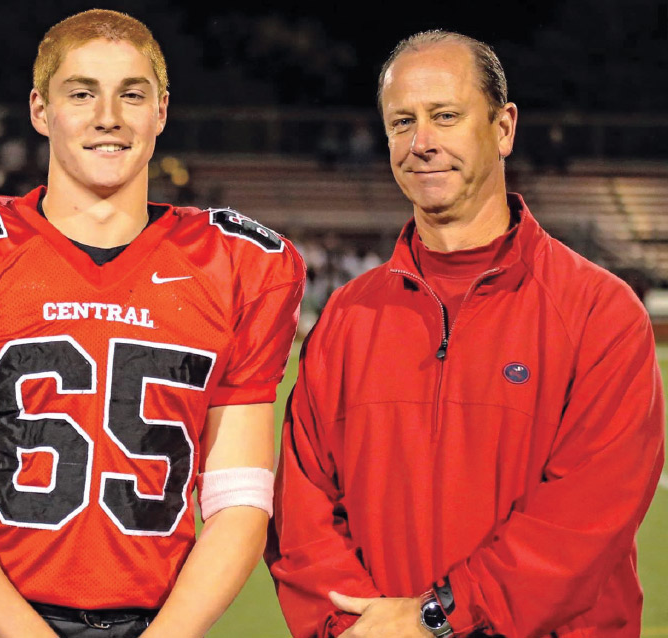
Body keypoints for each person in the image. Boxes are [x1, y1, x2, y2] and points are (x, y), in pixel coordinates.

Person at [0, 9, 305, 638]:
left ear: (161, 112)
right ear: (40, 111)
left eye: (132, 94)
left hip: (157, 623)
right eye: (82, 93)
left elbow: (238, 501)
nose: (109, 116)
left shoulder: (238, 264)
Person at [267, 30, 665, 638]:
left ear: (503, 128)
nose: (421, 143)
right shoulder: (347, 319)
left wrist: (436, 618)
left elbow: (583, 524)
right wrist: (348, 628)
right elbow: (302, 515)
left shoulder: (599, 313)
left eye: (445, 116)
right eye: (402, 123)